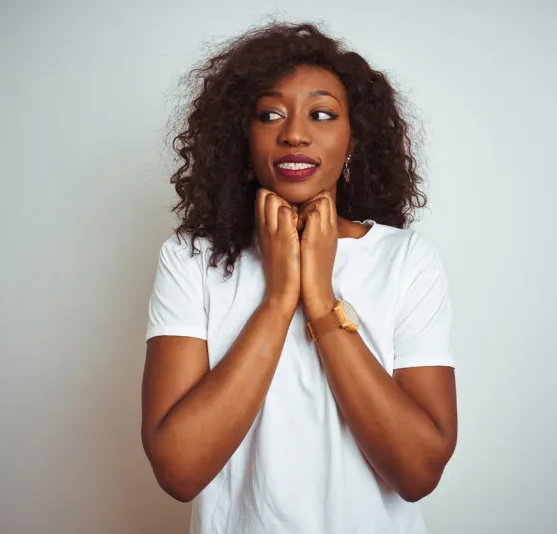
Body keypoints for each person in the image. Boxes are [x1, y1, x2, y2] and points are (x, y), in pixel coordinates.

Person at [141, 21, 457, 534]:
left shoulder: (405, 260)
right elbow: (179, 469)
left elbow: (418, 472)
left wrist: (320, 295)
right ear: (242, 138)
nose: (294, 133)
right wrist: (279, 296)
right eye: (269, 114)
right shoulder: (191, 258)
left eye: (322, 114)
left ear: (354, 140)